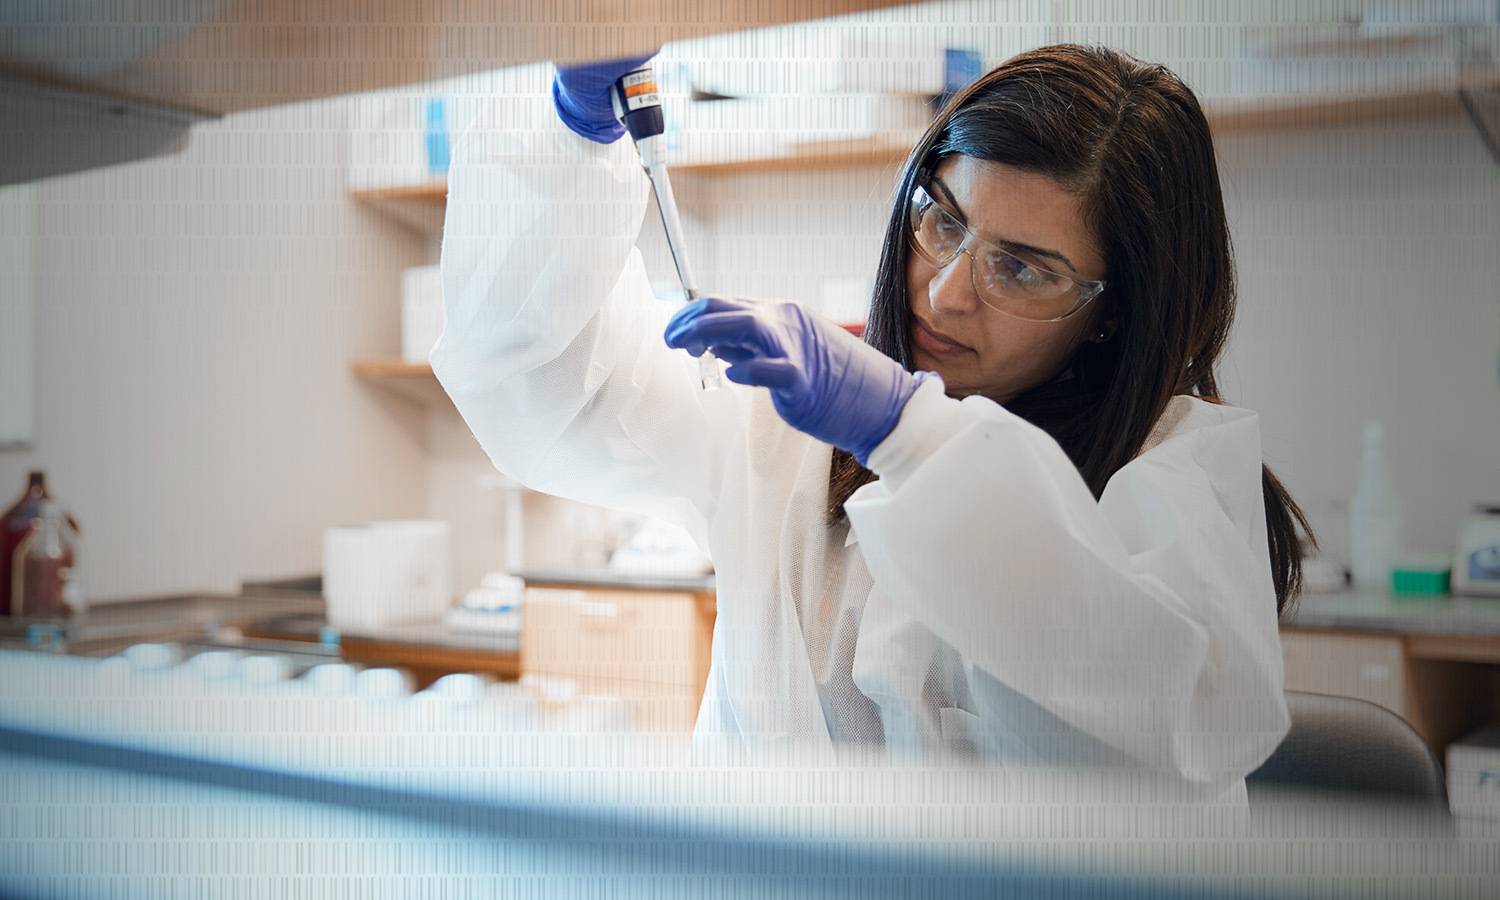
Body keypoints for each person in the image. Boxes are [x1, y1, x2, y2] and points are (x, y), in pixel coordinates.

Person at [433, 44, 1314, 797]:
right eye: (943, 220)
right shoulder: (788, 426)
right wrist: (573, 130)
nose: (945, 290)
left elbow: (1184, 718)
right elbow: (550, 389)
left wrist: (908, 431)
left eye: (1022, 269)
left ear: (1114, 311)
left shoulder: (1173, 477)